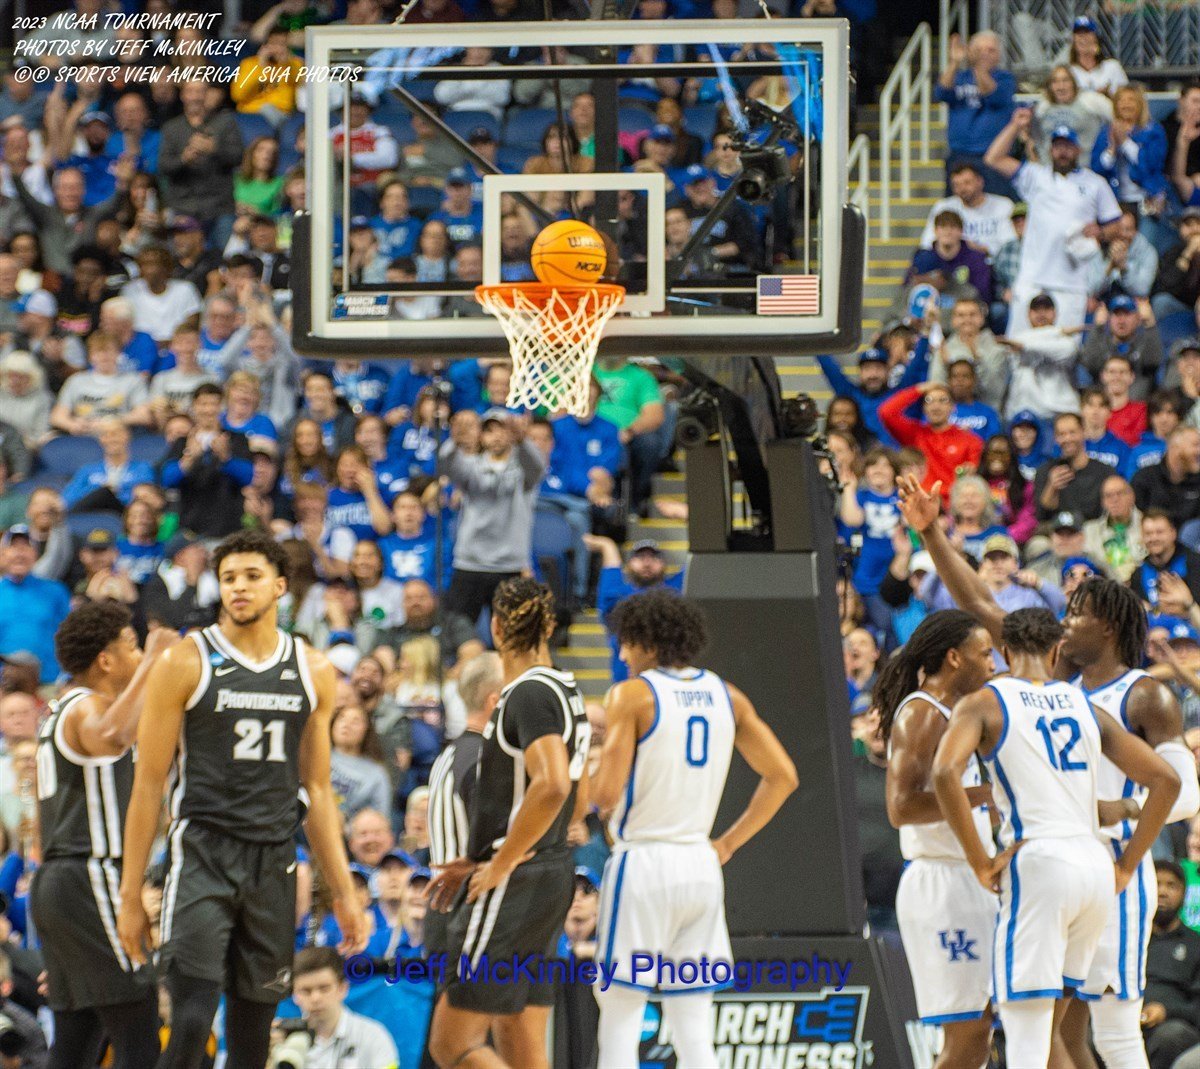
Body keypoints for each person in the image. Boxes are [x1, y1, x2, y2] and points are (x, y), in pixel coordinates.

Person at [116, 530, 367, 1069]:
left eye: (252, 576)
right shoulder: (185, 661)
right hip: (202, 855)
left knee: (253, 1040)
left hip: (273, 860)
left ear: (280, 586)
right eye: (228, 578)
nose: (239, 588)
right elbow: (148, 784)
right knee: (189, 1022)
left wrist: (343, 891)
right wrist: (131, 892)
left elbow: (318, 791)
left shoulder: (313, 668)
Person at [931, 603, 1179, 1069]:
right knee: (1056, 1033)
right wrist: (1127, 865)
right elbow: (1167, 780)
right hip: (1094, 869)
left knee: (1026, 1040)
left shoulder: (987, 700)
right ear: (1055, 651)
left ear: (1005, 652)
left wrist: (980, 861)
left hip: (1039, 863)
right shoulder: (1084, 705)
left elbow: (944, 772)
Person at [589, 590, 798, 1067]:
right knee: (694, 1024)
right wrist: (728, 843)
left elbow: (605, 795)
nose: (622, 655)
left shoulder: (632, 695)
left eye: (626, 643)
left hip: (643, 863)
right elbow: (783, 776)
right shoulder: (729, 696)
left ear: (647, 642)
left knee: (621, 1014)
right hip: (701, 866)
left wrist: (582, 762)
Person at [426, 579, 589, 1069]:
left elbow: (553, 784)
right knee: (520, 1040)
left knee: (451, 1045)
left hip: (514, 881)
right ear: (550, 627)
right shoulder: (566, 689)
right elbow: (576, 797)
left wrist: (501, 860)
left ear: (495, 627)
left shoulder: (526, 693)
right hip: (550, 873)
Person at [30, 605, 175, 1069]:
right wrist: (156, 659)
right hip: (88, 874)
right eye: (132, 646)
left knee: (78, 1034)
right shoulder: (85, 706)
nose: (140, 654)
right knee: (139, 1023)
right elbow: (113, 735)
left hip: (61, 881)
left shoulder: (59, 711)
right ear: (106, 660)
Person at [876, 610, 998, 1066]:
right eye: (984, 653)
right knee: (967, 1035)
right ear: (954, 657)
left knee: (981, 1031)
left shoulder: (957, 712)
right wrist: (985, 795)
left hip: (968, 878)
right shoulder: (922, 712)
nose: (992, 663)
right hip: (941, 884)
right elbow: (901, 807)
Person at [985, 109, 1122, 333]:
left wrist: (1100, 232)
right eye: (1058, 146)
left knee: (1065, 348)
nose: (1063, 152)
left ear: (1078, 149)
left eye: (1068, 146)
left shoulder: (1095, 184)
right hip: (1032, 278)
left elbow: (1115, 225)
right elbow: (993, 159)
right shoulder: (1035, 176)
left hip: (1071, 283)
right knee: (1020, 343)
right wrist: (1015, 125)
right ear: (1050, 150)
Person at [424, 652, 501, 964]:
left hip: (446, 912)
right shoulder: (485, 760)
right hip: (469, 916)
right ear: (495, 701)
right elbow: (490, 849)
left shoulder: (452, 753)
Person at [438, 409, 545, 625]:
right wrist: (454, 441)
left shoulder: (524, 471)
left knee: (512, 633)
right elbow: (446, 465)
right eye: (489, 430)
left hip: (510, 565)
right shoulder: (471, 466)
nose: (496, 436)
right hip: (470, 563)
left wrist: (522, 441)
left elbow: (538, 465)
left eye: (502, 429)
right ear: (481, 436)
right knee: (459, 631)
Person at [286, 946, 399, 1069]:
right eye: (306, 991)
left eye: (324, 988)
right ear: (294, 994)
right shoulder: (284, 1040)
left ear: (343, 989)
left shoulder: (373, 1036)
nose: (315, 998)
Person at [877, 381, 984, 504]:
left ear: (953, 406)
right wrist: (919, 389)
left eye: (942, 400)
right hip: (920, 502)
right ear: (923, 408)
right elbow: (886, 412)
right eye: (929, 401)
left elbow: (971, 475)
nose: (935, 406)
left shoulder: (971, 440)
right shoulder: (914, 434)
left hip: (953, 505)